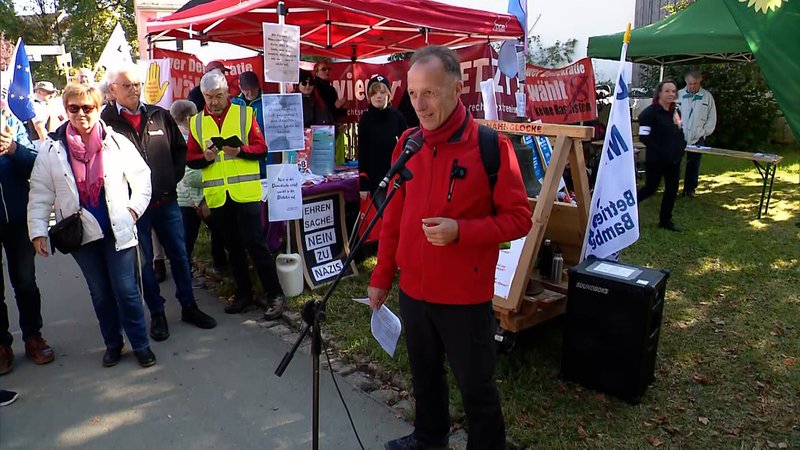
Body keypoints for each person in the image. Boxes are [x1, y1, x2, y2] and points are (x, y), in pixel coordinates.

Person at [368, 46, 532, 450]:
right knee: (424, 376)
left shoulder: (491, 146)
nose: (420, 105)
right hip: (414, 291)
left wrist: (462, 230)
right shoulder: (408, 142)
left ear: (458, 89)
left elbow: (519, 219)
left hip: (463, 296)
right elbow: (392, 217)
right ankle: (429, 439)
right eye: (413, 93)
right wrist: (381, 275)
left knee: (476, 387)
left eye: (431, 93)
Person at [28, 83, 157, 368]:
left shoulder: (117, 142)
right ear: (66, 110)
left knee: (126, 290)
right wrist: (38, 231)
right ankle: (113, 344)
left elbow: (142, 178)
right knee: (100, 292)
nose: (81, 114)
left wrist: (133, 210)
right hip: (81, 236)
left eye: (88, 108)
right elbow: (40, 192)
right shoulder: (52, 149)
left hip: (117, 229)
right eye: (74, 108)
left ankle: (140, 343)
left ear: (99, 109)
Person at [102, 65, 217, 342]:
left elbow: (180, 150)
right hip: (133, 210)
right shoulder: (105, 123)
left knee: (179, 256)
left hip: (166, 202)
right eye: (127, 85)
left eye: (137, 84)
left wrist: (170, 179)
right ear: (113, 90)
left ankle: (189, 305)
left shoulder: (159, 115)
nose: (134, 90)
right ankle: (158, 313)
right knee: (145, 266)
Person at [186, 71, 286, 320]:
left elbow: (261, 148)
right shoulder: (196, 122)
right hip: (219, 195)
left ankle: (274, 294)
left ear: (227, 93)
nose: (213, 102)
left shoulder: (244, 113)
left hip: (245, 192)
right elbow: (190, 158)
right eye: (208, 97)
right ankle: (244, 294)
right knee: (233, 247)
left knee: (256, 244)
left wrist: (240, 150)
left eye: (218, 96)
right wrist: (204, 157)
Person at [0, 110, 55, 375]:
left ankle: (33, 336)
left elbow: (36, 163)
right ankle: (1, 345)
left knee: (25, 283)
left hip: (18, 218)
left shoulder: (12, 122)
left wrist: (13, 149)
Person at [637, 80, 687, 232]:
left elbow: (679, 130)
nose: (671, 94)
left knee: (672, 190)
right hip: (656, 159)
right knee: (651, 188)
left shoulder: (676, 111)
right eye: (667, 91)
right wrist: (659, 150)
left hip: (674, 159)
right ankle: (628, 207)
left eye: (673, 91)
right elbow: (644, 137)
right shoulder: (649, 113)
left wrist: (681, 145)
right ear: (659, 93)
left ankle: (665, 220)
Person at [169, 99, 205, 287]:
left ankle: (185, 274)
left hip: (182, 197)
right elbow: (191, 176)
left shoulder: (172, 138)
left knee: (185, 240)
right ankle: (185, 277)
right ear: (188, 118)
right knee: (186, 241)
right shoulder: (186, 139)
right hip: (190, 199)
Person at [357, 74, 407, 202]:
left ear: (389, 95)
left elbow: (406, 148)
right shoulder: (366, 120)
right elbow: (363, 153)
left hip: (398, 180)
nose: (379, 96)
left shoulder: (398, 117)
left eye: (382, 92)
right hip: (376, 182)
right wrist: (364, 184)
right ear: (369, 97)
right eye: (374, 93)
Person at [676, 70, 717, 198]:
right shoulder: (678, 95)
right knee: (675, 162)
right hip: (680, 135)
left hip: (697, 136)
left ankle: (690, 190)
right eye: (690, 84)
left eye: (695, 84)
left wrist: (704, 132)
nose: (692, 86)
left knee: (694, 163)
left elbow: (712, 116)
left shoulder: (707, 97)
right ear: (686, 83)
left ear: (700, 82)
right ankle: (672, 188)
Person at [232, 70, 277, 172]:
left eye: (253, 89)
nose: (250, 93)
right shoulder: (234, 104)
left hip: (266, 152)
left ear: (259, 86)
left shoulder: (269, 102)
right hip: (243, 152)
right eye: (246, 90)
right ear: (240, 88)